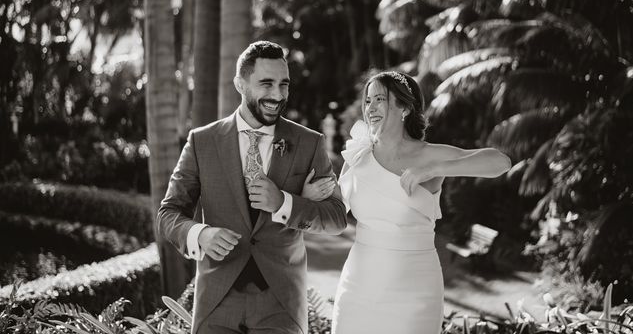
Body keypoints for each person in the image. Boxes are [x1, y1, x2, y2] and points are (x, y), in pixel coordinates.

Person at [157, 41, 348, 334]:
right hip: (217, 302)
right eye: (266, 83)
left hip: (280, 304)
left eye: (284, 84)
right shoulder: (202, 142)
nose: (277, 94)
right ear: (240, 84)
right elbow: (169, 213)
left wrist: (284, 203)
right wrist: (200, 234)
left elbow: (336, 217)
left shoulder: (309, 143)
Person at [329, 71, 512, 334]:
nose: (370, 108)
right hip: (358, 284)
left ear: (404, 107)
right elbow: (335, 211)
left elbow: (500, 162)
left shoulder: (428, 155)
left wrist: (434, 168)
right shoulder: (358, 155)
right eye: (367, 101)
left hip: (413, 289)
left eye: (379, 99)